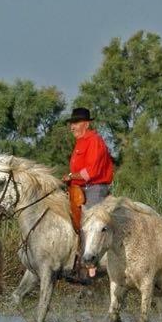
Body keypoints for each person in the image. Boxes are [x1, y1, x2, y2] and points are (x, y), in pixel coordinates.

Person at [61, 107, 114, 284]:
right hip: (81, 189)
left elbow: (91, 171)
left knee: (90, 224)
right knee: (74, 223)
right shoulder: (81, 142)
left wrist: (71, 176)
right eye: (71, 123)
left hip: (95, 188)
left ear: (86, 123)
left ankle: (91, 269)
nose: (72, 127)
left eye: (75, 123)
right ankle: (75, 263)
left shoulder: (94, 141)